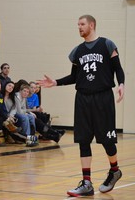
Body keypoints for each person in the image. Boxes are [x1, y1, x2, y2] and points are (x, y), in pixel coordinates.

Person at [38, 15, 124, 197]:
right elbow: (74, 77)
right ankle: (86, 183)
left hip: (103, 98)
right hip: (83, 99)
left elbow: (118, 68)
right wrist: (55, 82)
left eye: (82, 24)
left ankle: (114, 170)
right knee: (83, 140)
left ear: (91, 25)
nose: (79, 27)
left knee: (107, 140)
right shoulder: (77, 51)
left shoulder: (107, 44)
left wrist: (121, 85)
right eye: (78, 24)